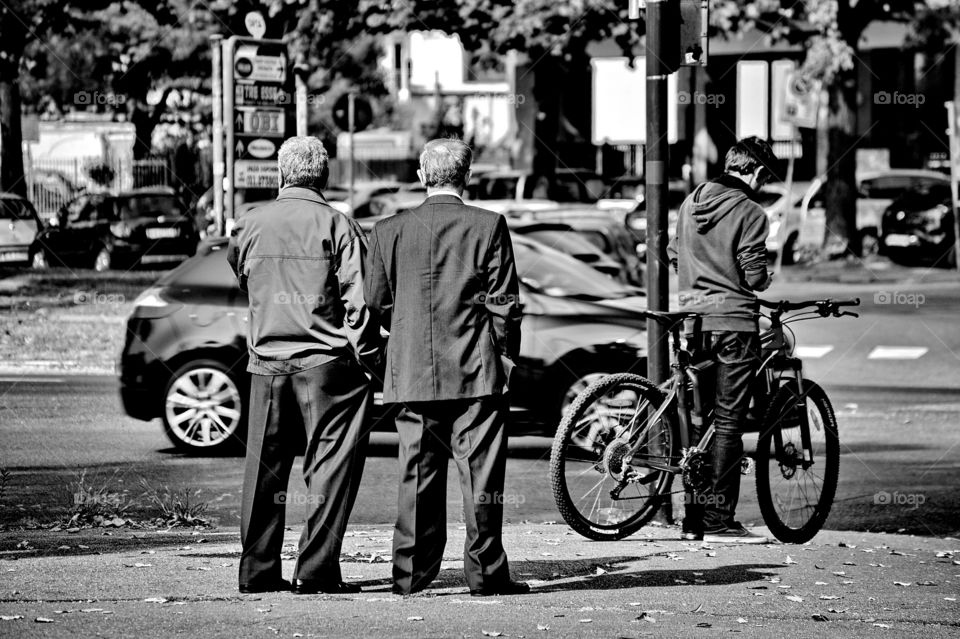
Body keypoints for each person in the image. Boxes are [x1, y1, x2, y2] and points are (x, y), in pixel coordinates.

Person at [364, 138, 528, 597]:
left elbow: (376, 301)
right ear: (467, 176)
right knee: (480, 478)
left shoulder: (388, 230)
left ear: (422, 176)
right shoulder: (489, 225)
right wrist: (505, 356)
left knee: (416, 474)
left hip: (412, 369)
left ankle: (410, 575)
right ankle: (485, 575)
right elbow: (504, 304)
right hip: (476, 371)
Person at [227, 136, 381, 594]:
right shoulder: (338, 225)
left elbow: (242, 276)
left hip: (266, 364)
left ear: (281, 173)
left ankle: (256, 571)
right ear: (324, 175)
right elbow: (361, 304)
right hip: (327, 366)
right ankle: (314, 570)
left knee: (263, 472)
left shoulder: (250, 223)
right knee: (331, 470)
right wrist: (370, 359)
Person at [667, 136, 777, 544]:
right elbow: (754, 276)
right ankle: (719, 522)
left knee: (700, 420)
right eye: (765, 176)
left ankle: (692, 519)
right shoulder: (751, 211)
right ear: (758, 172)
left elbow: (673, 252)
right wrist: (764, 278)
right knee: (729, 421)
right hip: (732, 323)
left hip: (693, 322)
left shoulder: (691, 201)